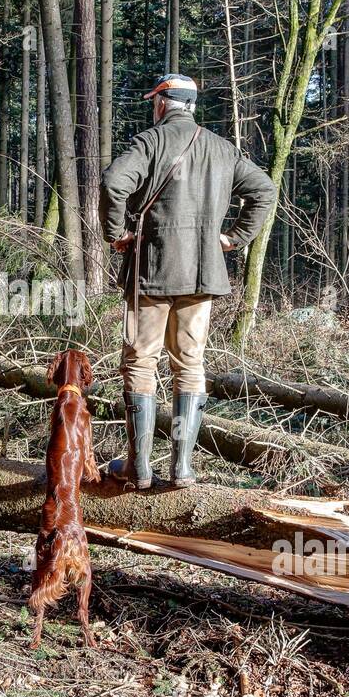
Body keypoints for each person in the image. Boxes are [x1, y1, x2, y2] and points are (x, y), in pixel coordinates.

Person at [99, 73, 276, 489]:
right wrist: (233, 237)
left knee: (141, 361)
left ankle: (139, 469)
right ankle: (182, 468)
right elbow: (264, 190)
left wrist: (116, 234)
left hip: (153, 271)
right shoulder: (221, 148)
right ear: (191, 105)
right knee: (190, 365)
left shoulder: (150, 142)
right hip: (202, 273)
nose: (153, 106)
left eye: (154, 100)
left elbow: (113, 183)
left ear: (163, 103)